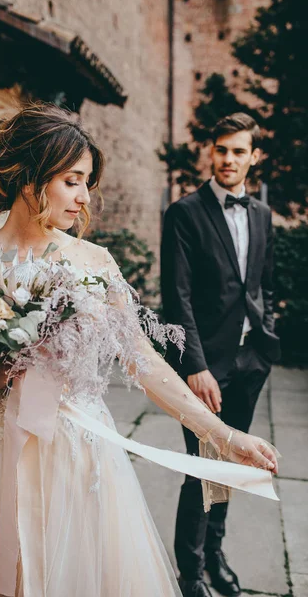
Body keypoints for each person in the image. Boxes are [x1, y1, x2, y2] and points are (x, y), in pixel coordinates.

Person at [0, 104, 278, 597]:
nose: (84, 197)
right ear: (30, 176)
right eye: (71, 180)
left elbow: (143, 359)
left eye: (86, 181)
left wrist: (221, 434)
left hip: (79, 457)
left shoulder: (94, 261)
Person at [161, 112, 281, 597]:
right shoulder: (185, 213)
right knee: (203, 468)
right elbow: (177, 297)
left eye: (238, 151)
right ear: (211, 153)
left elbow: (263, 283)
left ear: (255, 156)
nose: (228, 159)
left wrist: (267, 332)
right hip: (205, 367)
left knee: (232, 465)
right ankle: (191, 571)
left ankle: (216, 554)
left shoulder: (262, 214)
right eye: (221, 150)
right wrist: (195, 366)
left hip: (251, 360)